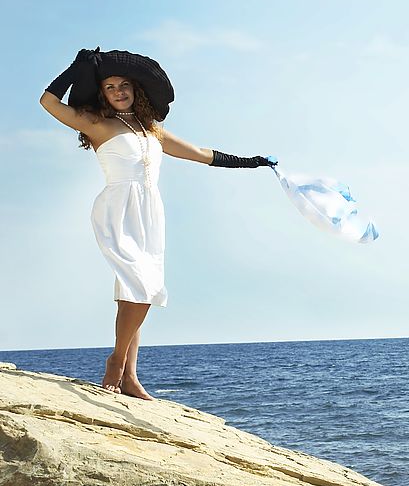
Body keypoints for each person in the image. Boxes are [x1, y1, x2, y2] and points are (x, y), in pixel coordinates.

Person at [40, 48, 273, 400]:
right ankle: (116, 363)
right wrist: (77, 68)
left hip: (150, 213)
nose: (118, 91)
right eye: (109, 87)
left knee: (133, 293)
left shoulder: (153, 131)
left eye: (124, 85)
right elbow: (48, 101)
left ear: (136, 89)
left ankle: (130, 377)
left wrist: (253, 162)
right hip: (118, 209)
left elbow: (201, 154)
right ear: (101, 93)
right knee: (142, 286)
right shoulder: (96, 123)